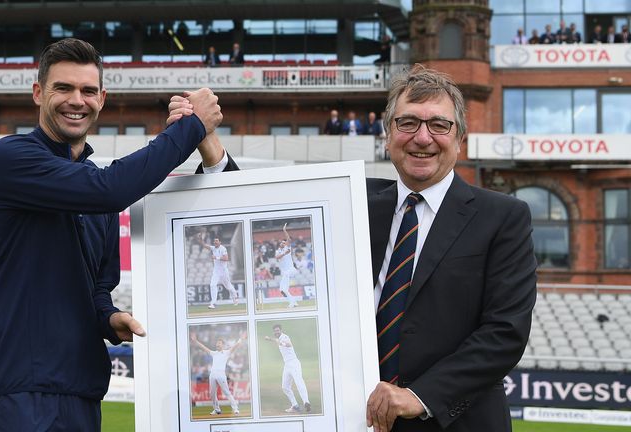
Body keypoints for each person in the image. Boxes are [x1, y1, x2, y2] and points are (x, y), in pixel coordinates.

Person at [169, 64, 537, 431]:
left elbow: (505, 333)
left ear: (461, 138)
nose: (422, 137)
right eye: (407, 123)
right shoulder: (350, 198)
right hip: (355, 421)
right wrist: (208, 140)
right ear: (387, 134)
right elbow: (257, 209)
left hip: (453, 422)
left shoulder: (503, 217)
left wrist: (419, 395)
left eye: (439, 125)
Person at [0, 38, 224, 431]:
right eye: (63, 88)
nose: (77, 100)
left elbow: (96, 291)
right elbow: (110, 189)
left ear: (102, 99)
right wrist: (192, 127)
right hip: (17, 389)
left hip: (83, 392)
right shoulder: (10, 158)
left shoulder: (97, 192)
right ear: (38, 93)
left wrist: (109, 318)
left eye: (88, 91)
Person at [190, 333, 244, 416]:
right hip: (213, 374)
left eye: (219, 343)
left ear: (223, 345)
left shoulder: (226, 352)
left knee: (227, 392)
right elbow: (204, 348)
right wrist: (196, 341)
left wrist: (241, 339)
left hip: (221, 374)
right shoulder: (213, 353)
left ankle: (235, 409)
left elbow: (236, 346)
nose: (217, 344)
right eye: (217, 343)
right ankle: (217, 409)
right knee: (212, 394)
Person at [264, 324, 311, 413]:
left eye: (278, 330)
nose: (276, 332)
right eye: (275, 331)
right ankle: (295, 406)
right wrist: (270, 339)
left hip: (294, 363)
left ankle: (306, 402)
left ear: (281, 330)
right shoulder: (279, 339)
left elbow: (289, 344)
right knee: (285, 387)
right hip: (287, 365)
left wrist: (280, 342)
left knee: (299, 382)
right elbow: (276, 341)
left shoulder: (285, 337)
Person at [197, 232, 240, 309]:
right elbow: (204, 245)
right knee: (212, 285)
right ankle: (213, 303)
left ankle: (235, 296)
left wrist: (216, 257)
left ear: (220, 242)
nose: (215, 242)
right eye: (215, 241)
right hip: (216, 271)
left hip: (223, 271)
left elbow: (226, 258)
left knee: (228, 287)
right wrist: (201, 239)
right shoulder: (213, 248)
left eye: (217, 241)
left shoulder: (223, 248)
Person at [275, 223, 299, 308]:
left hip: (291, 270)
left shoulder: (287, 248)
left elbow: (288, 239)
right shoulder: (278, 251)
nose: (283, 243)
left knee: (285, 274)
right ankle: (293, 302)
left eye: (284, 242)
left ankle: (293, 302)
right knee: (283, 290)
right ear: (279, 244)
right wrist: (284, 253)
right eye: (282, 242)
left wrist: (284, 230)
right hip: (285, 272)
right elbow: (277, 257)